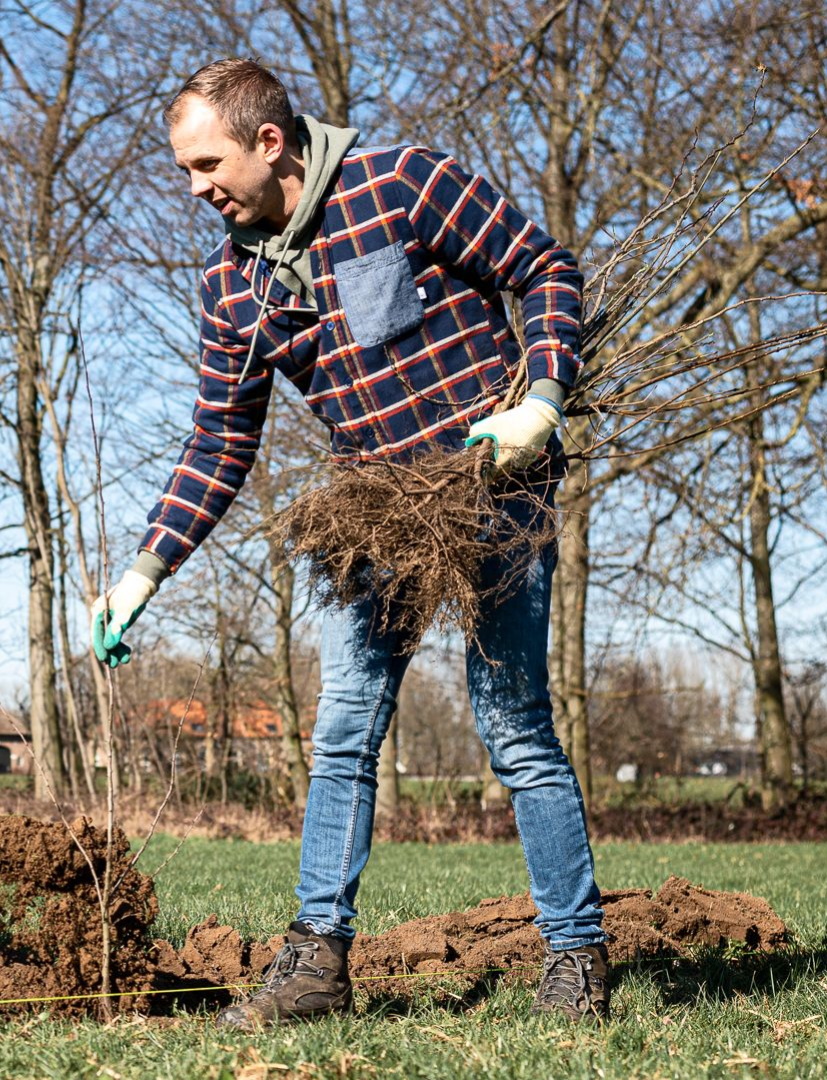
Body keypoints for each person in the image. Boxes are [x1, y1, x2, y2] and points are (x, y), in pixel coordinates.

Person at [89, 59, 608, 1027]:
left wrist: (541, 399)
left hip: (494, 482)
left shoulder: (400, 182)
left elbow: (543, 271)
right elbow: (219, 438)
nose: (195, 186)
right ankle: (318, 964)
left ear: (270, 142)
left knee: (513, 725)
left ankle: (576, 957)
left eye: (206, 163)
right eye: (186, 168)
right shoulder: (228, 282)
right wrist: (144, 568)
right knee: (341, 736)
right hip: (372, 511)